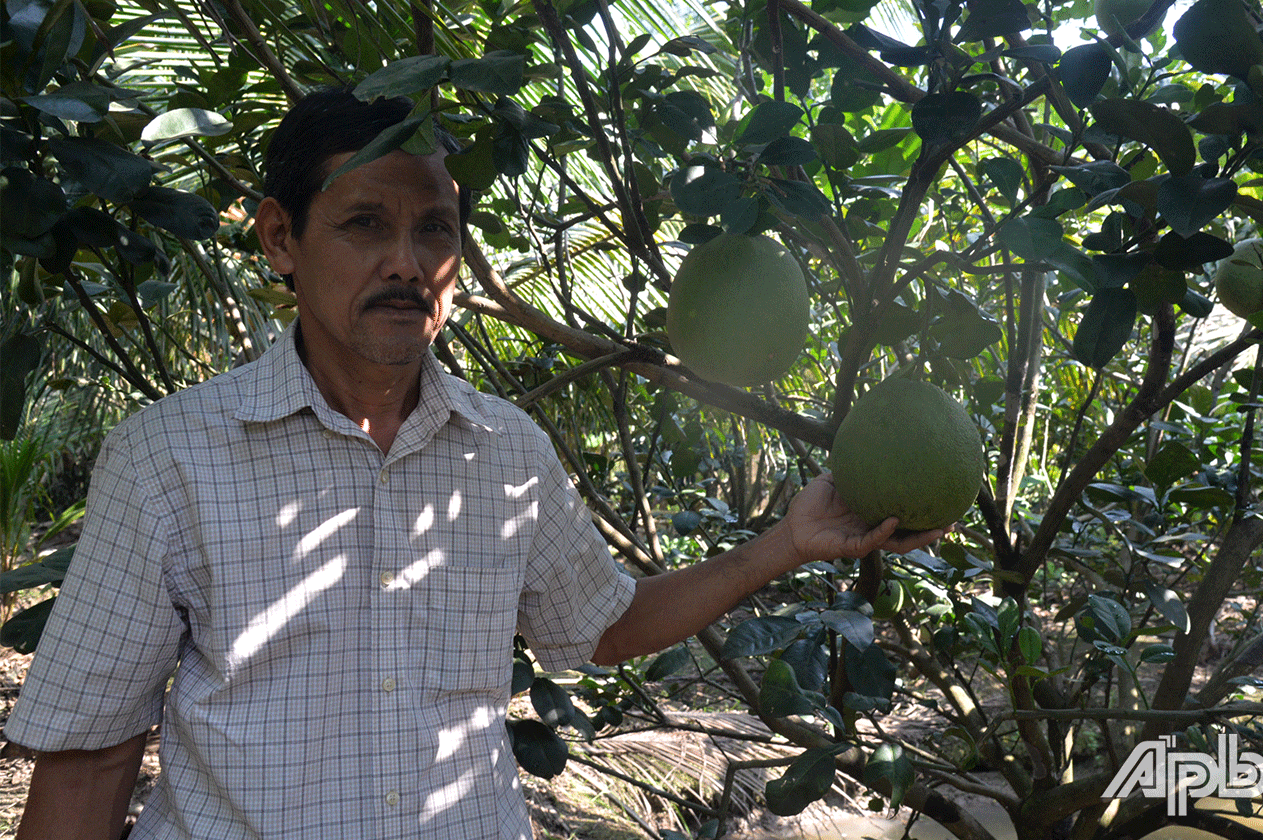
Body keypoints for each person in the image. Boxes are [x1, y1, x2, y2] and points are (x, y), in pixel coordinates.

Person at [6, 89, 941, 840]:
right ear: (281, 239)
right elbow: (90, 755)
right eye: (365, 225)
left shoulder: (506, 451)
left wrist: (783, 543)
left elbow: (601, 626)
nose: (406, 264)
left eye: (436, 231)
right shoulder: (170, 456)